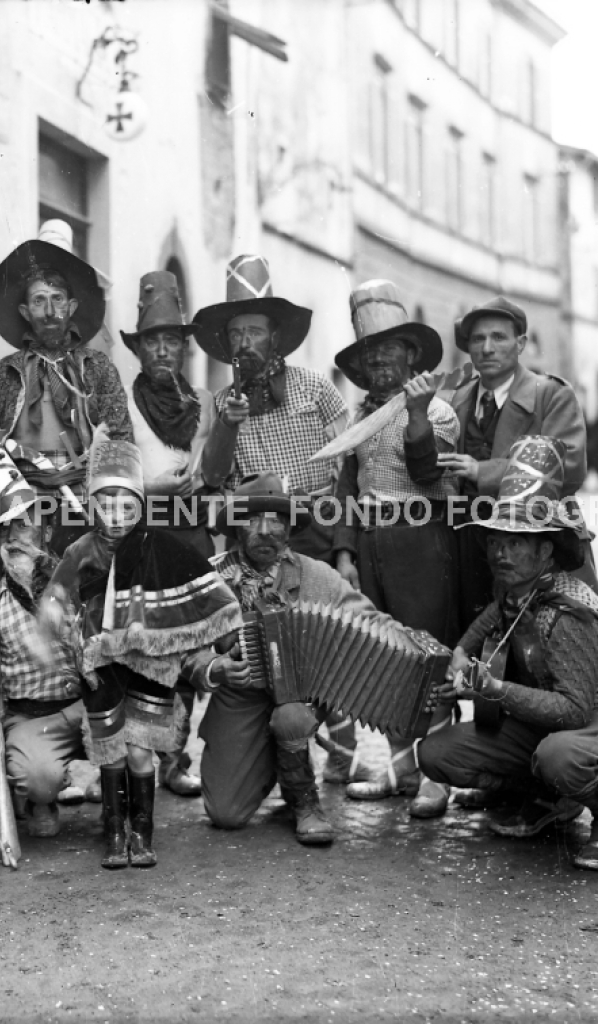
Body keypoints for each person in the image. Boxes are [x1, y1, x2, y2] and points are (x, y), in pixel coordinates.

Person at [39, 440, 241, 868]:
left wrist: (222, 628)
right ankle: (113, 833)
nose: (114, 515)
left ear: (140, 504)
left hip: (152, 667)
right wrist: (68, 642)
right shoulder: (80, 551)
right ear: (91, 505)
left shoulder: (162, 547)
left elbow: (209, 589)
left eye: (125, 505)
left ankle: (142, 831)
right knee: (111, 749)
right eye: (105, 504)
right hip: (101, 667)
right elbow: (55, 600)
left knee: (139, 751)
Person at [418, 436, 598, 871]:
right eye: (497, 540)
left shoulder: (569, 612)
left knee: (560, 756)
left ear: (545, 551)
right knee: (436, 754)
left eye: (517, 542)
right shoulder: (515, 591)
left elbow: (574, 711)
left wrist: (496, 690)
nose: (501, 552)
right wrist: (461, 653)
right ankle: (544, 797)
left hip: (585, 726)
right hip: (546, 724)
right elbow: (493, 616)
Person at [191, 474, 393, 845]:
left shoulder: (315, 575)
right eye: (253, 519)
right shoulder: (210, 579)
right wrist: (214, 668)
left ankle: (303, 799)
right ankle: (270, 761)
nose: (266, 531)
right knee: (226, 814)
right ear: (236, 526)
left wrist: (414, 643)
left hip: (300, 698)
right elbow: (185, 648)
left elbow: (369, 620)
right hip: (241, 697)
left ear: (289, 529)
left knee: (291, 715)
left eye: (277, 520)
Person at [331, 281, 460, 818]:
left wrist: (417, 414)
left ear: (411, 355)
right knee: (385, 658)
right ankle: (401, 764)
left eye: (390, 349)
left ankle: (437, 774)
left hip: (421, 543)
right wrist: (344, 552)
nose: (380, 360)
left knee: (428, 654)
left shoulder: (442, 413)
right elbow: (346, 488)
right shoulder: (358, 422)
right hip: (371, 542)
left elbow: (427, 471)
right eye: (370, 352)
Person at [120, 269, 231, 797]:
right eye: (152, 342)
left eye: (171, 341)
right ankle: (153, 752)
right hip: (147, 535)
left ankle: (177, 756)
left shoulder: (205, 402)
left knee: (197, 642)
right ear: (139, 349)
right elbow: (114, 473)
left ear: (184, 348)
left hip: (192, 536)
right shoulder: (122, 404)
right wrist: (152, 487)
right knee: (155, 649)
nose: (162, 351)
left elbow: (213, 469)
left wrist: (202, 482)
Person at [437, 297, 592, 631]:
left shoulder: (551, 394)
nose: (487, 348)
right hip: (475, 544)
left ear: (521, 343)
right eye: (478, 339)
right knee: (478, 635)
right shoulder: (461, 398)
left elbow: (571, 467)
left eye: (499, 337)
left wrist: (484, 472)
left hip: (537, 548)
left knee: (544, 643)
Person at [0, 220, 133, 551]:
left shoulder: (98, 368)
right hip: (22, 505)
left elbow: (121, 443)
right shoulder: (4, 373)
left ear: (72, 306)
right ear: (25, 310)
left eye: (58, 299)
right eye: (39, 300)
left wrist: (113, 510)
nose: (50, 311)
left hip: (85, 503)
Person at [192, 255, 349, 562]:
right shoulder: (222, 401)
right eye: (236, 334)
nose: (245, 342)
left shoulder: (316, 388)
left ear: (275, 337)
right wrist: (226, 426)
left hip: (316, 537)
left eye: (255, 332)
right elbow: (211, 478)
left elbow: (347, 475)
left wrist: (345, 551)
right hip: (253, 544)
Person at [0, 498, 88, 839]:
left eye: (22, 524)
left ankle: (125, 814)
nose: (11, 536)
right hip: (31, 719)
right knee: (40, 780)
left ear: (46, 532)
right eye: (3, 528)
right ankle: (39, 798)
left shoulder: (77, 583)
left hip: (87, 707)